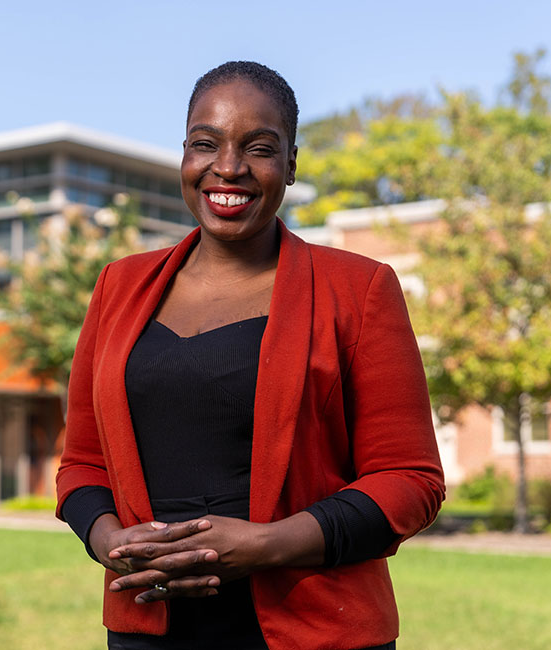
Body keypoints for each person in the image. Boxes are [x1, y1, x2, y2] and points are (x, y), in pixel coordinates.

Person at [56, 61, 445, 650]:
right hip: (149, 627)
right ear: (184, 155)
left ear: (290, 165)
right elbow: (82, 465)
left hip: (312, 628)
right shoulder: (119, 286)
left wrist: (265, 545)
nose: (228, 167)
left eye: (259, 148)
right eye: (204, 143)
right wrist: (111, 543)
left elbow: (410, 480)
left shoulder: (358, 289)